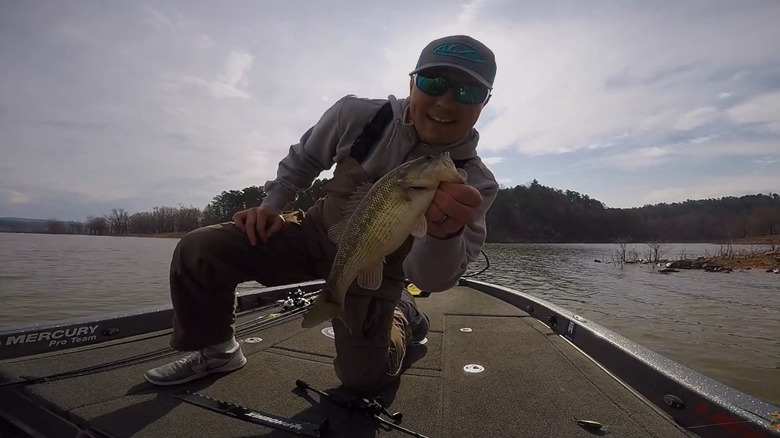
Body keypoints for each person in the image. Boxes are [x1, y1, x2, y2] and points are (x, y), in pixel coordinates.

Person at [144, 34, 500, 393]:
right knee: (201, 248)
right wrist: (271, 207)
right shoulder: (359, 115)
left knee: (363, 380)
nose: (445, 101)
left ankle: (404, 314)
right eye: (433, 82)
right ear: (411, 83)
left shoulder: (477, 182)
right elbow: (306, 158)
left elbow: (430, 280)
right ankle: (218, 351)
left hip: (378, 265)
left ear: (484, 103)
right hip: (317, 230)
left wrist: (443, 235)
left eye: (467, 92)